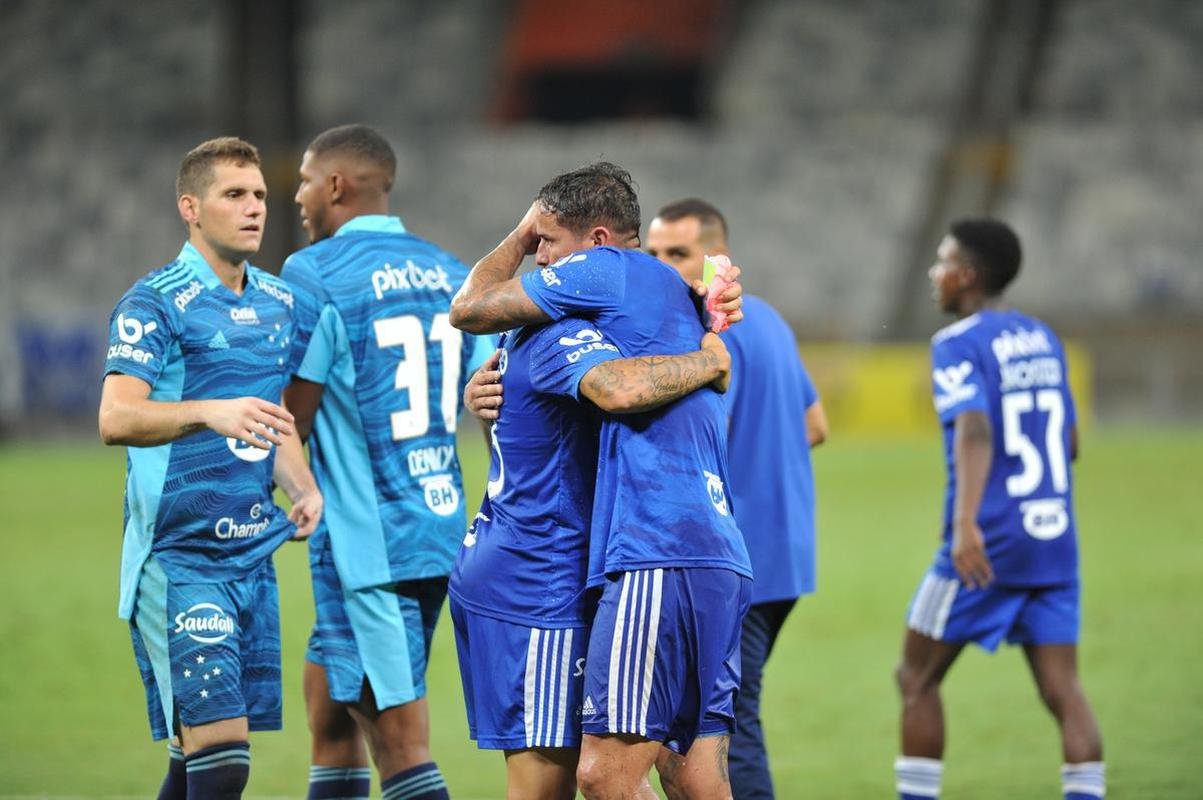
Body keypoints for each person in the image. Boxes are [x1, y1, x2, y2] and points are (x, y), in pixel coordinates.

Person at [451, 162, 751, 800]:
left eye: (548, 243)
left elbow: (471, 308)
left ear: (595, 242)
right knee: (690, 771)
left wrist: (522, 224)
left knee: (600, 775)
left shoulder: (598, 279)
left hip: (652, 547)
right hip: (716, 546)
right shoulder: (674, 300)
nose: (538, 258)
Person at [98, 136, 322, 799]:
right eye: (234, 195)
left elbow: (273, 416)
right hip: (179, 560)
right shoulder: (153, 303)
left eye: (259, 195)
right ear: (190, 208)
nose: (254, 208)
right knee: (224, 762)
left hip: (252, 560)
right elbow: (116, 417)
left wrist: (302, 487)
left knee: (193, 760)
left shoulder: (279, 303)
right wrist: (209, 411)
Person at [280, 124, 492, 800]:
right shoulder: (450, 271)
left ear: (336, 186)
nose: (298, 196)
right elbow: (495, 400)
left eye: (307, 181)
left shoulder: (313, 272)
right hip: (435, 522)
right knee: (328, 709)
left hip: (368, 544)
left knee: (399, 744)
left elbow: (294, 413)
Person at [893, 219, 1105, 800]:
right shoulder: (1043, 336)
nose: (934, 274)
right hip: (1054, 534)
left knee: (915, 675)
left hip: (987, 540)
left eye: (942, 262)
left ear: (965, 275)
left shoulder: (956, 344)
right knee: (1064, 690)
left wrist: (965, 524)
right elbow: (1070, 443)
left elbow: (976, 427)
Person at [646, 199, 828, 800]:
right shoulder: (771, 320)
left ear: (715, 259)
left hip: (738, 560)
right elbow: (816, 424)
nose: (661, 267)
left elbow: (703, 438)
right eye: (651, 254)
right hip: (788, 552)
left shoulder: (709, 331)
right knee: (730, 718)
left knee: (726, 731)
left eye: (678, 254)